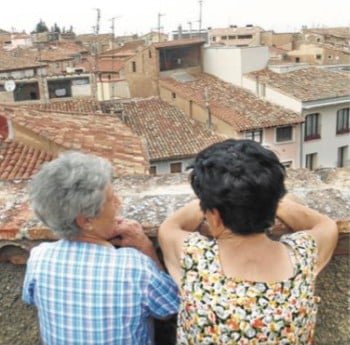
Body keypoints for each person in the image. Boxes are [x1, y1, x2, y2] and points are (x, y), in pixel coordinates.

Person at [158, 139, 338, 345]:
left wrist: (212, 200)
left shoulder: (194, 260)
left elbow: (170, 227)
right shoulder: (302, 258)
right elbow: (326, 225)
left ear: (214, 217)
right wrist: (266, 200)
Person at [22, 151, 179, 345]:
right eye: (112, 199)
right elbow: (170, 307)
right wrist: (146, 247)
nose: (119, 203)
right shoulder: (134, 267)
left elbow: (30, 298)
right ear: (86, 221)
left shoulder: (39, 258)